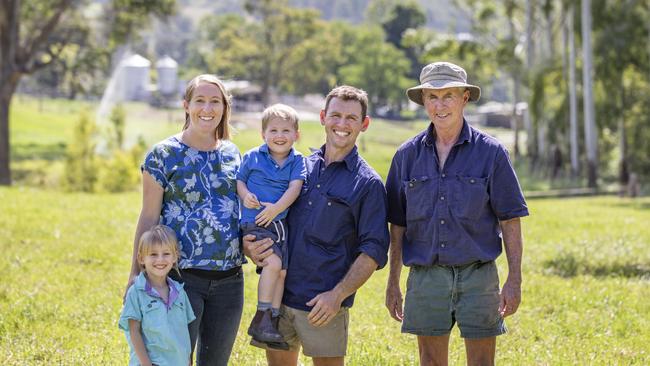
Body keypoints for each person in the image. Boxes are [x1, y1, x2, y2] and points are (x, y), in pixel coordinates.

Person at [384, 62, 529, 365]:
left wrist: (514, 280)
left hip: (478, 276)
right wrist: (392, 282)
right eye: (432, 97)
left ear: (464, 98)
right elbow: (397, 227)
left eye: (448, 95)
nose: (440, 105)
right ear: (423, 101)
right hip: (426, 277)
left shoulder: (491, 153)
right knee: (431, 362)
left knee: (481, 363)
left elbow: (510, 220)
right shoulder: (405, 156)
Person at [244, 86, 390, 366]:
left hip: (323, 305)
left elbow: (373, 250)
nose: (342, 124)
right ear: (323, 117)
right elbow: (266, 219)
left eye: (351, 118)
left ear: (364, 124)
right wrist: (249, 246)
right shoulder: (298, 169)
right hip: (279, 300)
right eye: (335, 115)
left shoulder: (368, 184)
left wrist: (338, 296)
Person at [125, 74, 244, 366]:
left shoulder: (233, 154)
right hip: (179, 279)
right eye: (200, 100)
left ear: (224, 107)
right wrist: (135, 273)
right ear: (186, 106)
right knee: (173, 360)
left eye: (215, 101)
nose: (207, 108)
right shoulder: (163, 155)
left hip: (230, 281)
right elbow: (149, 217)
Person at [237, 103, 306, 346]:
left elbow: (295, 188)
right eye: (273, 131)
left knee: (283, 272)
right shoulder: (253, 157)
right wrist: (245, 195)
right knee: (273, 263)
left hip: (278, 223)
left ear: (296, 135)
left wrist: (276, 208)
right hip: (255, 221)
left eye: (286, 131)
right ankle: (261, 316)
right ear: (263, 134)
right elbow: (240, 181)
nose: (279, 136)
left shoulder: (298, 161)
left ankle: (273, 321)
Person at [119, 225, 196, 366]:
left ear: (174, 257)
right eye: (153, 254)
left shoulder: (179, 292)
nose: (160, 260)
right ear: (141, 258)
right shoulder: (136, 291)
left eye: (166, 254)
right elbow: (134, 331)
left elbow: (185, 332)